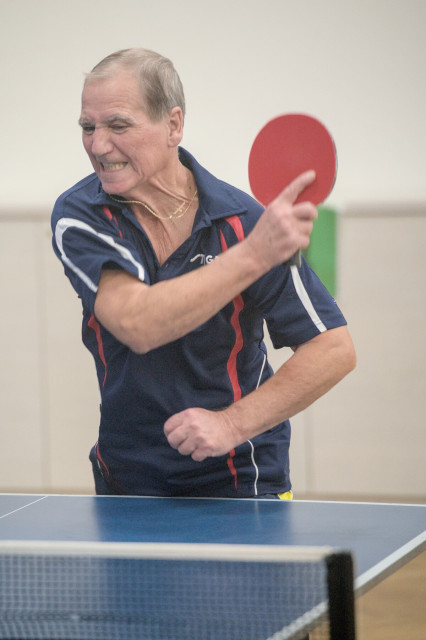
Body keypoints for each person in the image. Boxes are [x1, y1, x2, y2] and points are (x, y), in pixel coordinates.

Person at [51, 48, 356, 499]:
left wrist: (232, 424)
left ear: (173, 125)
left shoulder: (244, 222)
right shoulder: (80, 216)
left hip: (244, 481)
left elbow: (332, 348)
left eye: (118, 125)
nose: (98, 145)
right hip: (130, 485)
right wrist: (252, 256)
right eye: (88, 127)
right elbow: (138, 324)